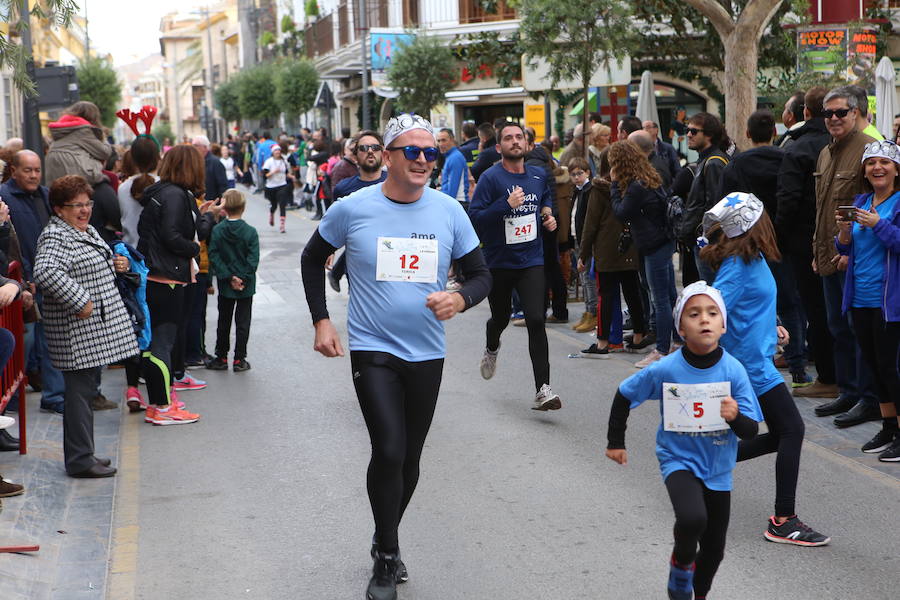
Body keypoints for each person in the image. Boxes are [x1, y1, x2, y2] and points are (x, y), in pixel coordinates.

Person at [300, 113, 491, 600]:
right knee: (388, 448)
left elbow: (480, 276)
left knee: (410, 460)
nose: (425, 160)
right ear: (387, 157)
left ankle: (383, 533)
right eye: (414, 151)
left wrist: (460, 298)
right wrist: (321, 319)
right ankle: (387, 556)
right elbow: (310, 257)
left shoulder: (450, 211)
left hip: (427, 352)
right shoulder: (352, 207)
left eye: (432, 153)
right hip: (373, 348)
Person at [606, 281, 762, 600]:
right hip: (677, 459)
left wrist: (735, 417)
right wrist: (615, 442)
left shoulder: (734, 371)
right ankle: (681, 562)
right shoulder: (667, 368)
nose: (704, 319)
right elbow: (624, 394)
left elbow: (750, 431)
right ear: (681, 328)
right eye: (694, 314)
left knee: (715, 549)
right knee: (692, 518)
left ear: (723, 325)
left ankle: (699, 593)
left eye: (712, 313)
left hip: (718, 467)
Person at [700, 191, 830, 546]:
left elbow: (748, 305)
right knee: (792, 431)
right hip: (750, 367)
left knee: (781, 434)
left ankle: (705, 468)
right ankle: (783, 520)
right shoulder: (739, 266)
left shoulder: (751, 258)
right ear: (757, 224)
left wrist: (770, 325)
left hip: (757, 359)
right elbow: (711, 313)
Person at [33, 175, 139, 477]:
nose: (84, 210)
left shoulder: (82, 229)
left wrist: (117, 264)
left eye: (87, 203)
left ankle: (85, 453)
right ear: (58, 209)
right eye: (76, 205)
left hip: (90, 332)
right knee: (78, 397)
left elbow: (88, 263)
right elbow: (46, 271)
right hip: (76, 333)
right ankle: (80, 460)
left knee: (85, 394)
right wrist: (80, 301)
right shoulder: (56, 235)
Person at [469, 122, 563, 411]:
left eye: (518, 137)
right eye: (507, 138)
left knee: (536, 319)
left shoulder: (538, 174)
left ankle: (543, 389)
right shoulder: (490, 178)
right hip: (499, 262)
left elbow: (545, 199)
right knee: (501, 317)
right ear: (498, 147)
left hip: (532, 260)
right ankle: (492, 346)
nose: (514, 141)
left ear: (527, 144)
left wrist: (548, 214)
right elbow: (475, 217)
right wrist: (505, 205)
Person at [720, 110, 813, 390]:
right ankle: (798, 367)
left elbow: (725, 206)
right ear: (774, 131)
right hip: (785, 242)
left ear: (747, 134)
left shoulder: (736, 165)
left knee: (757, 305)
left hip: (747, 244)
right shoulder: (787, 159)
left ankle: (764, 362)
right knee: (791, 304)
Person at [812, 86, 880, 428]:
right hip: (828, 253)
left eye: (841, 112)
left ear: (856, 113)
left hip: (854, 257)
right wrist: (818, 250)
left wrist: (851, 253)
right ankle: (848, 390)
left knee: (858, 330)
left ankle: (868, 399)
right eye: (829, 114)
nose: (834, 119)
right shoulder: (826, 152)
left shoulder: (868, 149)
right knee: (837, 328)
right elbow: (822, 206)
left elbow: (873, 205)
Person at [137, 145, 219, 426]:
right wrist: (193, 249)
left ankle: (161, 402)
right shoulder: (173, 195)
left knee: (159, 344)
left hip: (160, 276)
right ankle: (162, 406)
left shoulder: (167, 192)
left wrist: (201, 216)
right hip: (166, 278)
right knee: (162, 344)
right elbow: (172, 235)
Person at [775, 86, 844, 403]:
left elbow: (787, 201)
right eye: (831, 113)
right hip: (832, 238)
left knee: (816, 309)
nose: (834, 118)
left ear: (804, 112)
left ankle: (829, 376)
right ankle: (836, 374)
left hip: (809, 242)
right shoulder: (831, 145)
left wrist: (778, 237)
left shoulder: (799, 147)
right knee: (832, 312)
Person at [835, 140, 900, 461]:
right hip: (859, 298)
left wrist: (879, 224)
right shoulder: (861, 200)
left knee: (892, 369)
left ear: (896, 170)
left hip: (890, 302)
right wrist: (844, 234)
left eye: (885, 163)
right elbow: (847, 249)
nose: (877, 168)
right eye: (871, 163)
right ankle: (889, 426)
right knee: (875, 368)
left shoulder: (898, 204)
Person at [0, 150, 66, 414]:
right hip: (21, 281)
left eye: (37, 170)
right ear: (14, 170)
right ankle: (12, 398)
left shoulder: (45, 195)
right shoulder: (5, 197)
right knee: (22, 339)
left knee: (50, 340)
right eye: (28, 170)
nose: (34, 175)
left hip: (46, 277)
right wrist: (24, 280)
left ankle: (53, 395)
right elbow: (14, 247)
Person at [608, 141, 679, 368]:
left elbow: (621, 212)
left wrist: (613, 184)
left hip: (653, 245)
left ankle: (661, 349)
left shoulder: (636, 186)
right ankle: (676, 342)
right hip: (663, 240)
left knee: (660, 299)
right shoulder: (649, 177)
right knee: (668, 296)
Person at [578, 152, 647, 356]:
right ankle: (638, 336)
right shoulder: (635, 186)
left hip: (606, 249)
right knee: (633, 292)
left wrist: (583, 254)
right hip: (630, 246)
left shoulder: (598, 188)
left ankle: (603, 342)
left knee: (605, 295)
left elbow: (590, 225)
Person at [326, 131, 388, 293]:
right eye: (364, 148)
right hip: (357, 266)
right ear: (355, 156)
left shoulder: (396, 183)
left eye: (375, 147)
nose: (370, 151)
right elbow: (335, 222)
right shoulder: (344, 189)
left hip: (391, 261)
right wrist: (329, 249)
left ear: (384, 153)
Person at [207, 189, 258, 372]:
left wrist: (229, 276)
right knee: (243, 323)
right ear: (243, 207)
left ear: (224, 208)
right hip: (246, 285)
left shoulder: (218, 231)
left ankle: (221, 356)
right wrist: (242, 277)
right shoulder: (250, 232)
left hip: (225, 284)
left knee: (224, 321)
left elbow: (213, 255)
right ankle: (239, 359)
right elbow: (253, 260)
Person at [678, 112, 731, 284]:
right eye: (687, 130)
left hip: (710, 245)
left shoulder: (714, 162)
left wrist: (703, 236)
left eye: (694, 131)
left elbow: (716, 207)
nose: (688, 135)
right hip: (706, 242)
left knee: (714, 294)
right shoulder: (707, 160)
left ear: (708, 135)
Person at [568, 157, 596, 333]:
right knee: (583, 279)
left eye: (580, 173)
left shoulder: (589, 191)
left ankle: (592, 312)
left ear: (588, 173)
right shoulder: (577, 191)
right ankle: (587, 311)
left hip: (586, 241)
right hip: (577, 238)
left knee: (588, 279)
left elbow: (587, 219)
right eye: (573, 174)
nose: (577, 177)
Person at [436, 128, 470, 206]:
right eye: (438, 141)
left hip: (458, 203)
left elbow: (452, 191)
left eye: (444, 140)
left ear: (452, 140)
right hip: (456, 202)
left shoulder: (455, 158)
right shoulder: (451, 156)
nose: (440, 144)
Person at [262, 145, 292, 233]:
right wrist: (273, 172)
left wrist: (292, 177)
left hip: (282, 185)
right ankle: (271, 214)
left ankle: (282, 226)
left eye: (279, 150)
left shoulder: (284, 161)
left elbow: (286, 173)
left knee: (282, 205)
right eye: (276, 151)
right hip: (271, 186)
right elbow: (265, 176)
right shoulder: (269, 162)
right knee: (274, 205)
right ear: (272, 152)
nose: (278, 152)